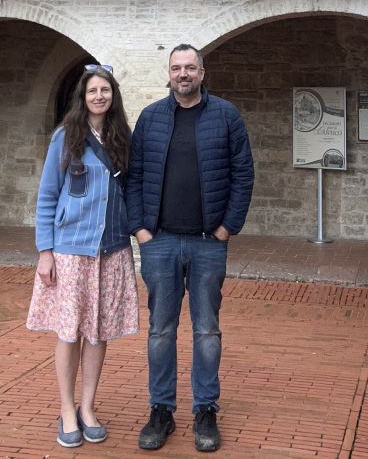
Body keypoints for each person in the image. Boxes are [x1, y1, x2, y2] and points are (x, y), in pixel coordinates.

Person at [127, 44, 254, 453]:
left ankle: (205, 410)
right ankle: (161, 410)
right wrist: (141, 230)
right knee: (161, 330)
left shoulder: (226, 116)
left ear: (202, 72)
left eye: (190, 67)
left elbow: (243, 174)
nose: (183, 74)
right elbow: (133, 177)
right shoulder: (150, 118)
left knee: (207, 330)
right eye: (176, 68)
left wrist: (226, 228)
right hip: (159, 241)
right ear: (169, 73)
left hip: (207, 244)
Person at [26, 64, 139, 449]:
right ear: (83, 96)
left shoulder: (122, 138)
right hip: (71, 250)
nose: (99, 96)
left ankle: (89, 407)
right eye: (93, 90)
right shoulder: (65, 137)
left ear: (113, 95)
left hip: (112, 248)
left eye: (105, 90)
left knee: (98, 331)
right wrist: (45, 251)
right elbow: (46, 197)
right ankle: (67, 409)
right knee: (69, 332)